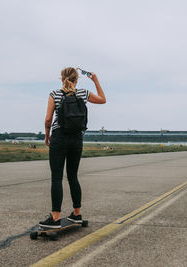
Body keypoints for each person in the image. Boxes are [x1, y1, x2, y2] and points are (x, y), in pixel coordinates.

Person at [39, 67, 106, 228]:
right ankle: (77, 213)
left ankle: (55, 217)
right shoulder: (83, 93)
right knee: (73, 176)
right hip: (77, 138)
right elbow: (103, 99)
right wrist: (95, 80)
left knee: (56, 177)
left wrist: (47, 135)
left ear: (62, 79)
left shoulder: (54, 94)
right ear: (77, 80)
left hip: (59, 137)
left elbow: (48, 119)